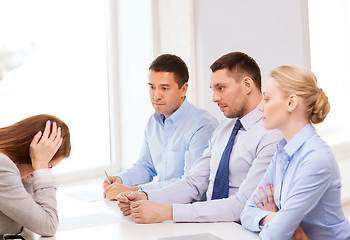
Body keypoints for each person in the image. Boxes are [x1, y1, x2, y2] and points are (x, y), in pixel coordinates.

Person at [116, 51, 282, 223]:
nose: (214, 98)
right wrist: (145, 197)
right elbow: (194, 183)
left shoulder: (271, 135)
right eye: (213, 89)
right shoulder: (224, 129)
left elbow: (243, 204)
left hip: (241, 230)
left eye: (221, 88)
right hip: (209, 225)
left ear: (247, 85)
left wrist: (168, 211)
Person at [240, 64, 350, 240]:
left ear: (291, 103)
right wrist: (275, 218)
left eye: (267, 99)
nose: (260, 106)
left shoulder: (316, 158)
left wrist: (280, 224)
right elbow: (246, 212)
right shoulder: (282, 150)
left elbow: (275, 235)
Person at [103, 54, 218, 199]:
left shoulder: (202, 125)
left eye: (164, 88)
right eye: (152, 87)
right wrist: (120, 180)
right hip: (160, 207)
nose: (156, 95)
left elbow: (190, 185)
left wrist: (134, 190)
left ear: (183, 89)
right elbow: (146, 166)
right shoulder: (153, 122)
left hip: (190, 213)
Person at [0, 114, 71, 237]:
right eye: (49, 166)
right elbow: (48, 225)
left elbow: (28, 217)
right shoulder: (3, 165)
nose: (36, 174)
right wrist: (41, 167)